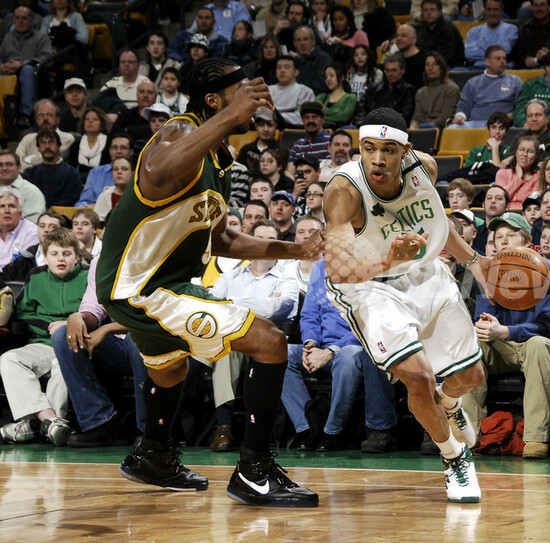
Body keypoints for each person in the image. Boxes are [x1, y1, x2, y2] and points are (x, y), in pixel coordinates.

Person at [96, 58, 322, 506]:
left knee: (170, 369)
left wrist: (296, 250)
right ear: (215, 100)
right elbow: (155, 171)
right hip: (141, 286)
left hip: (161, 284)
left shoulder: (218, 159)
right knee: (271, 341)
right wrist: (231, 115)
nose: (253, 99)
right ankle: (254, 471)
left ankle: (153, 456)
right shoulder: (178, 131)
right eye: (241, 91)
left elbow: (223, 239)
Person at [322, 107, 488, 502]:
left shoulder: (424, 168)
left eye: (388, 150)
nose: (377, 159)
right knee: (419, 378)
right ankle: (454, 458)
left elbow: (435, 222)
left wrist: (475, 262)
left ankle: (449, 403)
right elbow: (338, 270)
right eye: (368, 149)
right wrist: (388, 260)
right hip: (369, 286)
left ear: (406, 150)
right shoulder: (343, 191)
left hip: (422, 272)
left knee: (472, 377)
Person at [462, 212, 550, 458]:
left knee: (539, 345)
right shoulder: (488, 272)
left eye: (512, 235)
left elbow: (547, 326)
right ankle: (469, 436)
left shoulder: (549, 271)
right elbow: (483, 321)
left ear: (527, 241)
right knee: (471, 345)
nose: (504, 241)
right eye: (499, 237)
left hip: (533, 346)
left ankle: (536, 438)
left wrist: (506, 331)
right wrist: (487, 328)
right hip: (500, 348)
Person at [283, 256, 398, 453]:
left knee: (348, 356)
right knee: (282, 354)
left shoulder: (372, 267)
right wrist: (310, 344)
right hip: (320, 347)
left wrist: (331, 351)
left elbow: (369, 322)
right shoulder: (320, 267)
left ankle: (332, 432)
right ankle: (307, 429)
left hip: (356, 345)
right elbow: (310, 314)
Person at [208, 220, 299, 451]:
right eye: (259, 239)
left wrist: (230, 303)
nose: (264, 245)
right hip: (228, 343)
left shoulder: (286, 277)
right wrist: (262, 302)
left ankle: (229, 426)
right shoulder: (231, 276)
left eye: (271, 240)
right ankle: (224, 427)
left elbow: (279, 308)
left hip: (267, 348)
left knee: (226, 345)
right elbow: (212, 306)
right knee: (227, 347)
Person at [0, 228, 88, 446]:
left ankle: (37, 425)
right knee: (9, 359)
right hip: (42, 343)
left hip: (74, 344)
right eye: (54, 254)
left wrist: (66, 325)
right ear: (45, 257)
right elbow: (23, 313)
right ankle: (51, 421)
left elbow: (97, 313)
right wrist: (47, 325)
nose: (61, 259)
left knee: (63, 365)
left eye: (66, 254)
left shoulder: (89, 276)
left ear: (76, 257)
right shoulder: (36, 276)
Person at [53, 257, 148, 447]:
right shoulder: (101, 261)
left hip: (152, 340)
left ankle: (150, 430)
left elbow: (153, 316)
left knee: (137, 339)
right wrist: (78, 317)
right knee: (62, 335)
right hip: (117, 346)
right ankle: (100, 422)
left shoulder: (152, 255)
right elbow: (94, 308)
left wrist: (107, 329)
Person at [0, 7, 51, 127]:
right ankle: (3, 115)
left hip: (34, 73)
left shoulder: (40, 37)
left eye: (24, 18)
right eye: (17, 18)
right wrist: (2, 66)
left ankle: (25, 115)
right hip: (8, 70)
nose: (20, 21)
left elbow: (48, 58)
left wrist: (22, 63)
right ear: (13, 20)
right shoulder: (8, 37)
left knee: (27, 70)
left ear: (31, 21)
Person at [451, 45, 522, 128]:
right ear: (487, 62)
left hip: (503, 125)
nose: (502, 62)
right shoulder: (473, 83)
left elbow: (521, 105)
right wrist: (460, 117)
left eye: (504, 58)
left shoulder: (515, 81)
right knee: (452, 128)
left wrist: (512, 115)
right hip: (476, 124)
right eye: (498, 59)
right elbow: (464, 106)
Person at [22, 130, 82, 208]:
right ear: (38, 148)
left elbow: (71, 199)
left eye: (51, 142)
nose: (47, 146)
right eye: (43, 142)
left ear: (59, 146)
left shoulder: (72, 173)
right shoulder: (30, 173)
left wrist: (49, 211)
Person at [74, 133, 135, 208]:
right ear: (110, 151)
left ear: (131, 151)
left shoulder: (139, 174)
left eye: (123, 148)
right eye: (114, 147)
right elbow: (83, 202)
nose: (118, 151)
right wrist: (94, 207)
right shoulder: (96, 172)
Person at [15, 99, 75, 171]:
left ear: (58, 119)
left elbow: (49, 160)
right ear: (37, 119)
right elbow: (15, 162)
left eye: (49, 115)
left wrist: (27, 160)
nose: (45, 118)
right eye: (41, 115)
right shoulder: (28, 138)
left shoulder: (67, 138)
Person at [358, 54, 417, 126]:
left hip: (396, 129)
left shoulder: (409, 90)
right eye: (387, 70)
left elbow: (405, 115)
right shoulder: (374, 90)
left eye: (394, 70)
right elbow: (361, 110)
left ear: (403, 70)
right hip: (372, 128)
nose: (390, 74)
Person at [410, 52, 460, 130]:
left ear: (441, 69)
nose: (430, 68)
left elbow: (446, 116)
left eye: (434, 64)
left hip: (442, 128)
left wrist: (428, 126)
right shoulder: (420, 92)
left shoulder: (451, 88)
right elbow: (417, 117)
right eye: (427, 65)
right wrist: (413, 126)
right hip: (422, 128)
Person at [464, 0, 518, 70]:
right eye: (489, 9)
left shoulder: (511, 29)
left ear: (501, 11)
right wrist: (494, 51)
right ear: (484, 11)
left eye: (495, 10)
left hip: (502, 70)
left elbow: (503, 51)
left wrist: (480, 48)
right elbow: (469, 54)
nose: (492, 13)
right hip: (477, 69)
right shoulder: (474, 31)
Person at [416, 0, 465, 68]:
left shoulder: (448, 29)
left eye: (432, 10)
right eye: (425, 10)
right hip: (429, 65)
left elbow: (444, 57)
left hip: (450, 66)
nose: (428, 13)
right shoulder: (423, 28)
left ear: (440, 12)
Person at [269, 55, 316, 127]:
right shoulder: (267, 90)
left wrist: (276, 117)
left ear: (296, 72)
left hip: (293, 129)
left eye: (287, 67)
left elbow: (303, 117)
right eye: (279, 67)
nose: (282, 70)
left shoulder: (305, 91)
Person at [495, 135, 540, 209]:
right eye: (521, 150)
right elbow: (499, 198)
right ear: (516, 153)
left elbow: (533, 203)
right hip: (503, 214)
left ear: (535, 156)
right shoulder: (502, 173)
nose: (525, 154)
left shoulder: (538, 177)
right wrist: (518, 177)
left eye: (530, 151)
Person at [0, 149, 45, 222]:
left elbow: (34, 223)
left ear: (19, 168)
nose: (4, 168)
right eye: (0, 165)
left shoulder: (32, 192)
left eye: (9, 164)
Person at [235, 107, 280, 179]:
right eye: (261, 124)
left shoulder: (281, 152)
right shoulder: (246, 150)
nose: (265, 129)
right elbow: (238, 173)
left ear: (275, 126)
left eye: (269, 125)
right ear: (256, 126)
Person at [67, 106, 109, 177]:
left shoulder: (109, 144)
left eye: (95, 119)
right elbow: (71, 170)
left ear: (102, 124)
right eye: (87, 119)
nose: (90, 121)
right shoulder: (76, 145)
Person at [381, 24, 425, 91]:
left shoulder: (423, 60)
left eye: (403, 36)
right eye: (397, 36)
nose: (399, 38)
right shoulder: (393, 59)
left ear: (414, 40)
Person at [291, 25, 331, 96]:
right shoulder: (293, 61)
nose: (302, 43)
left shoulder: (323, 58)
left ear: (313, 41)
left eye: (305, 39)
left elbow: (321, 84)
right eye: (298, 40)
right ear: (294, 43)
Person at [315, 63, 357, 129]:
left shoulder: (350, 98)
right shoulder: (320, 97)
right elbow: (314, 116)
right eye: (326, 77)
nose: (328, 79)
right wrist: (336, 111)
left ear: (342, 78)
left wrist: (323, 113)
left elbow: (343, 117)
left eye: (331, 76)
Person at [94, 157, 133, 223]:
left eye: (124, 169)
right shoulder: (104, 196)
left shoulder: (139, 195)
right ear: (112, 173)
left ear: (132, 173)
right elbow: (96, 222)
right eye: (115, 169)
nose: (119, 172)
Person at [473, 185, 509, 254]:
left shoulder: (513, 233)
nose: (493, 201)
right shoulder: (475, 234)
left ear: (507, 206)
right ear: (483, 205)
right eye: (489, 198)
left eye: (499, 198)